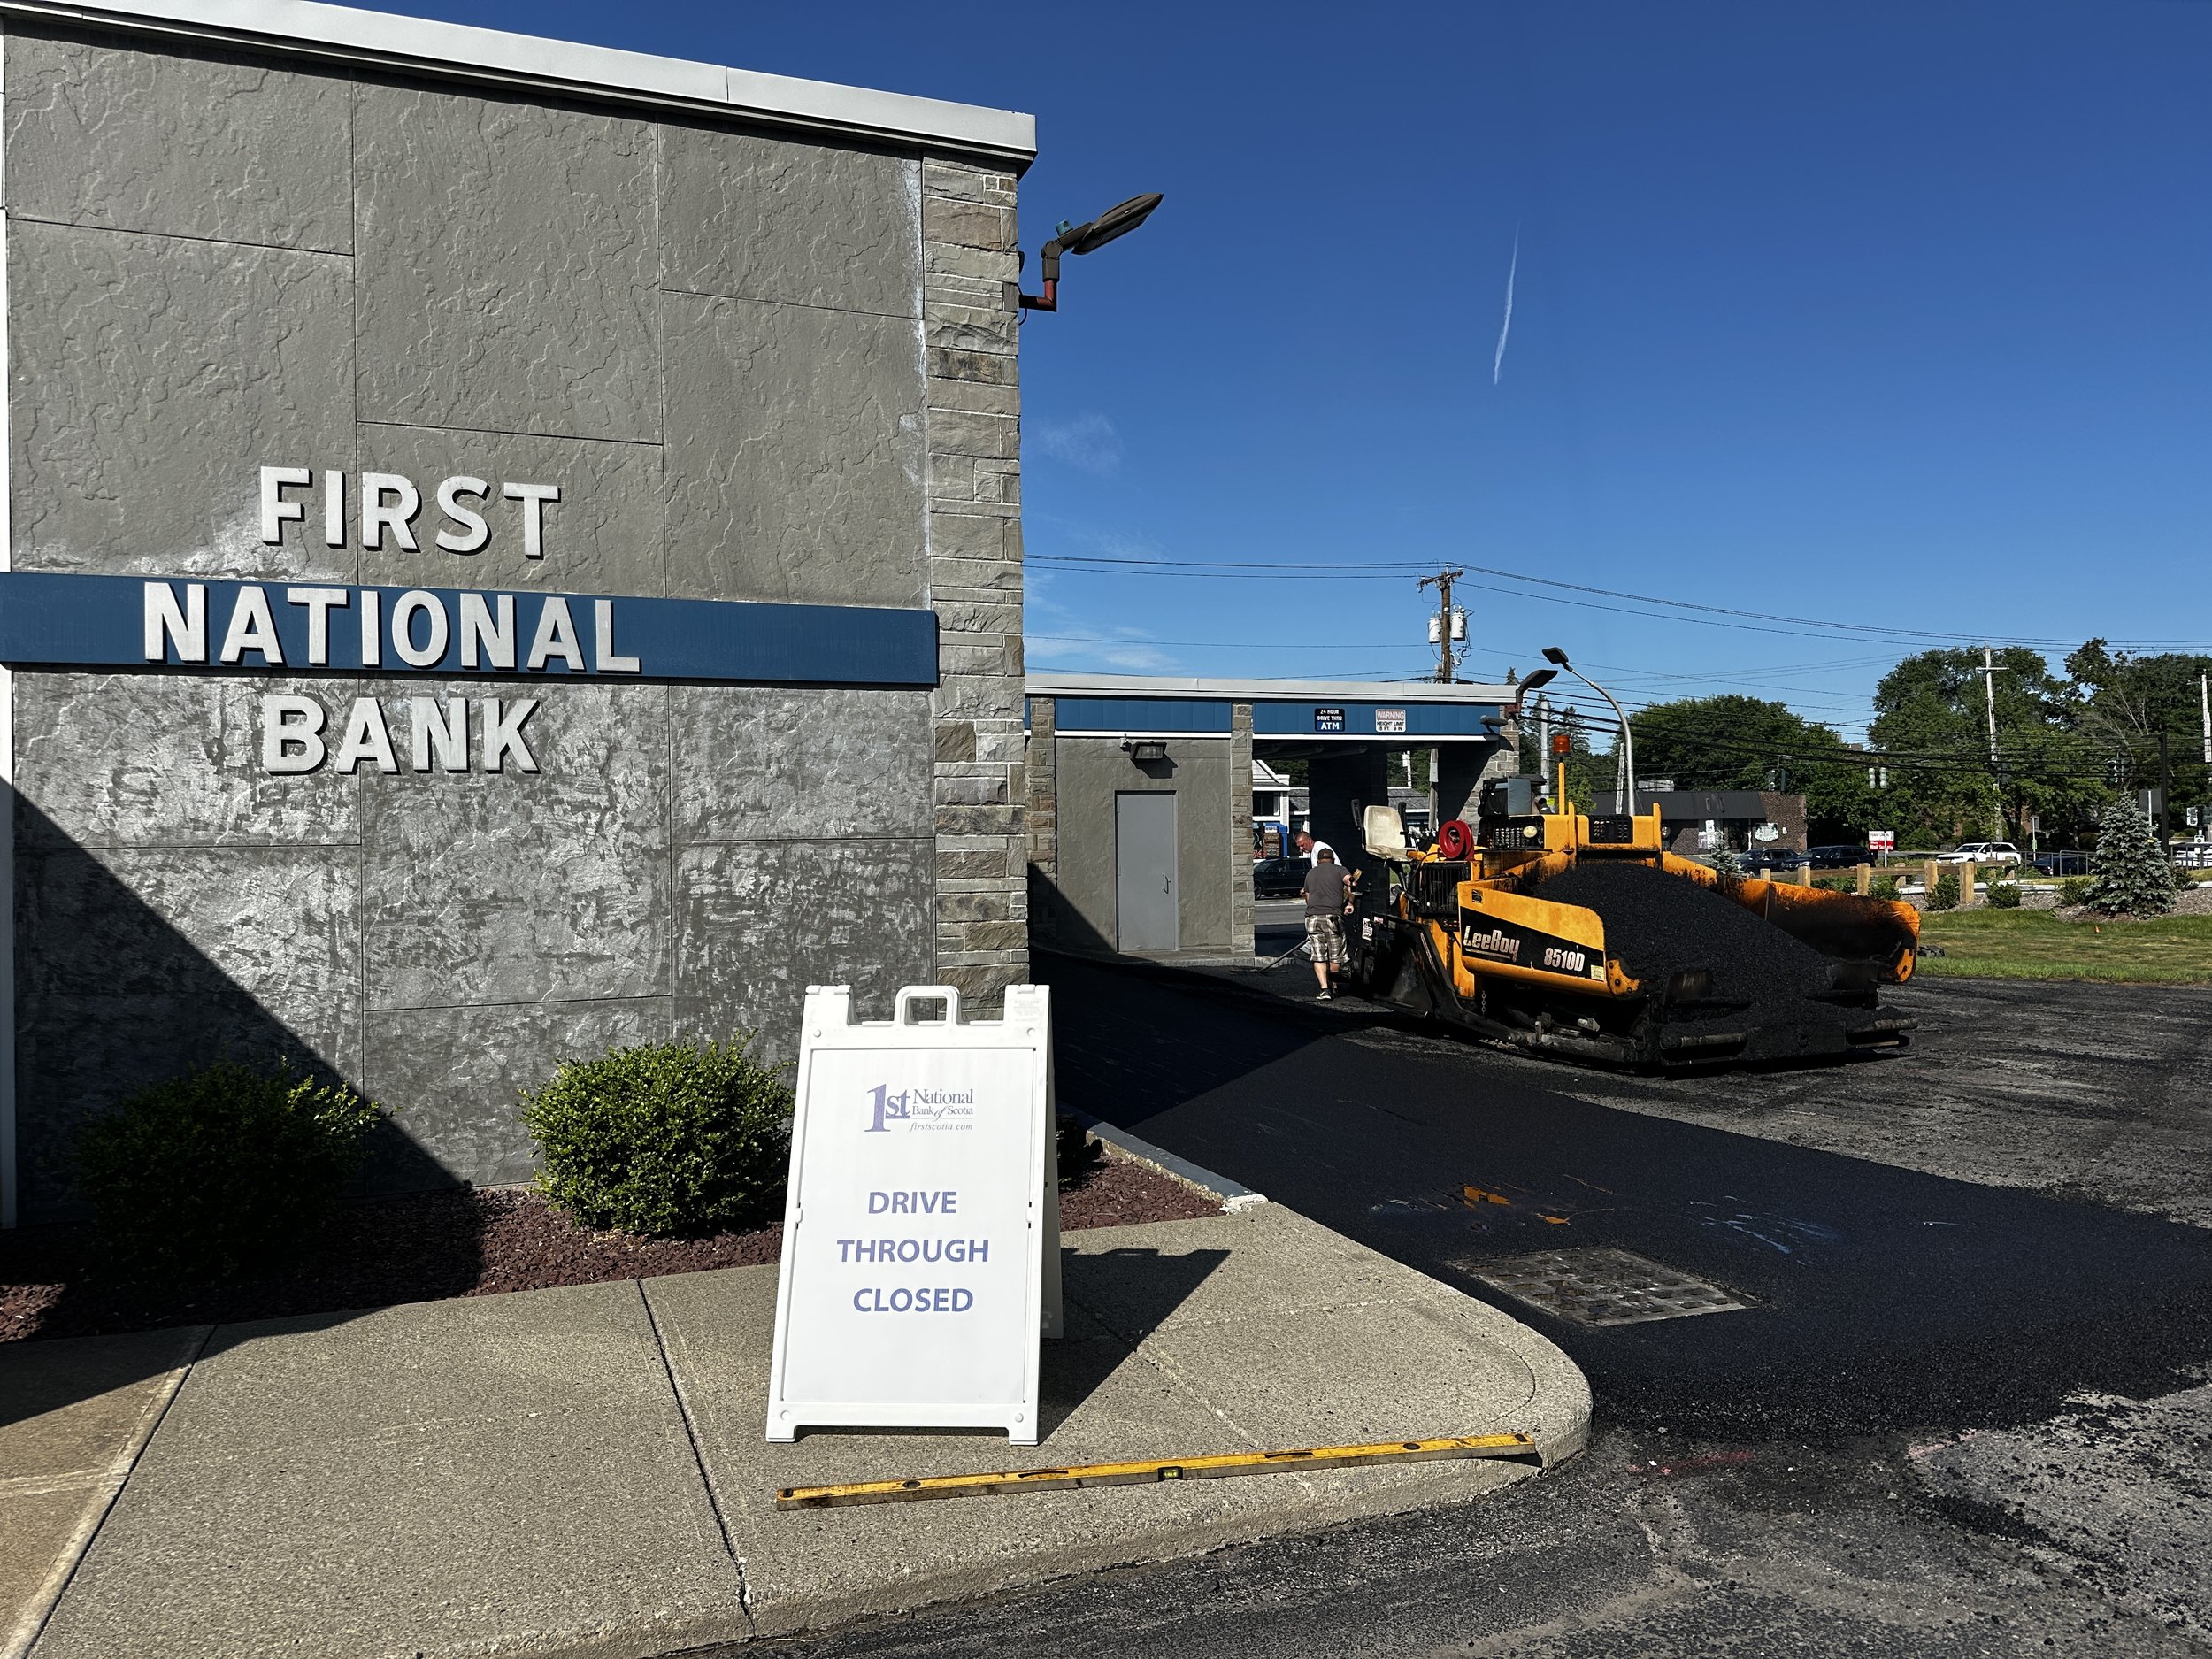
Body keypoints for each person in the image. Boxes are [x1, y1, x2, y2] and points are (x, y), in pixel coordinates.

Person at [1302, 847, 1354, 1000]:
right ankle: (1334, 985)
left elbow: (1308, 898)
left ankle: (1324, 989)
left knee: (1318, 955)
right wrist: (1350, 903)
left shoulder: (1310, 873)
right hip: (1332, 917)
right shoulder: (1339, 870)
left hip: (1312, 918)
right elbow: (1351, 881)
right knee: (1335, 954)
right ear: (1332, 860)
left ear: (1318, 861)